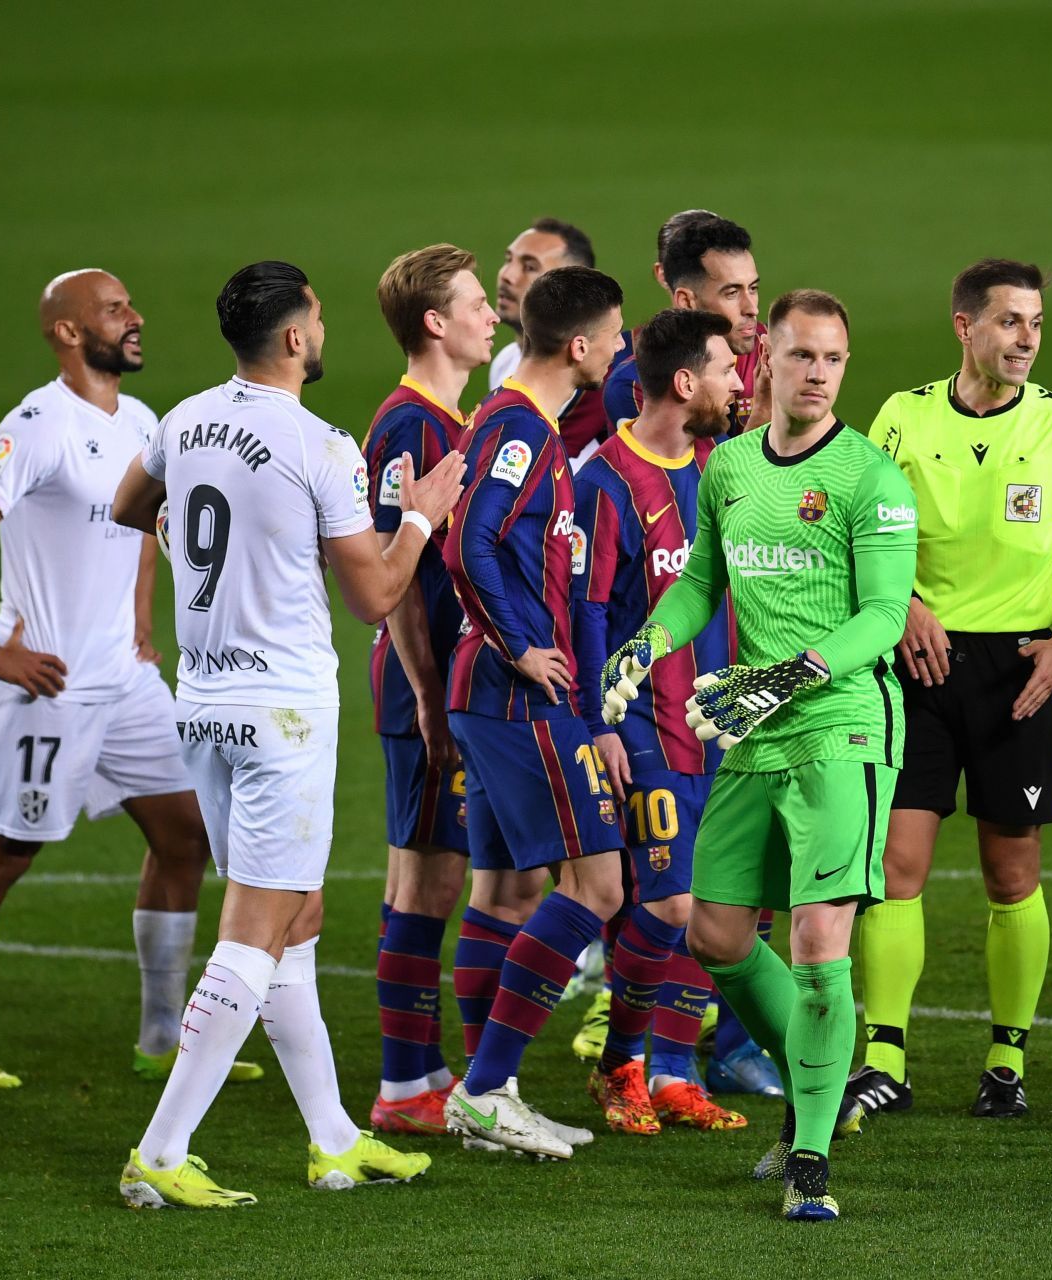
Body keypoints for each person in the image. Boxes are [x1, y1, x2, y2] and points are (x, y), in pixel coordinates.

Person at [111, 260, 464, 1207]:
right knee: (255, 933)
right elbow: (374, 596)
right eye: (317, 317)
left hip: (205, 705)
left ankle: (335, 1139)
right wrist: (421, 519)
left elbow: (125, 507)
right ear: (297, 338)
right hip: (285, 715)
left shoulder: (183, 421)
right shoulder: (321, 446)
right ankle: (161, 1150)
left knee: (295, 922)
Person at [601, 288, 917, 1220]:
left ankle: (809, 1154)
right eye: (801, 356)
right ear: (765, 361)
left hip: (843, 726)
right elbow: (703, 579)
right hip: (754, 728)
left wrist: (794, 674)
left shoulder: (869, 478)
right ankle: (825, 1080)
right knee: (718, 935)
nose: (817, 373)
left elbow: (887, 616)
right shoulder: (730, 466)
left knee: (822, 945)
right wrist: (651, 640)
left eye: (833, 359)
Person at [0, 269, 238, 1091]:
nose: (135, 319)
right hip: (49, 685)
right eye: (113, 310)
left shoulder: (138, 418)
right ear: (67, 333)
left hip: (126, 684)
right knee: (7, 851)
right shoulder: (39, 424)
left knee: (184, 836)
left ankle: (163, 1036)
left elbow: (138, 519)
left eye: (130, 304)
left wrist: (140, 620)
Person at [848, 259, 1052, 1121]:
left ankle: (1007, 1057)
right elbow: (865, 532)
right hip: (917, 663)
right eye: (1009, 321)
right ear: (965, 327)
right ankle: (884, 1056)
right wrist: (906, 604)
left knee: (1012, 869)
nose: (1026, 338)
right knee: (895, 865)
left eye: (1035, 321)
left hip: (1018, 671)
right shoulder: (903, 418)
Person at [440, 266, 631, 1161]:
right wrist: (519, 643)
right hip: (516, 695)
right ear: (582, 346)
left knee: (506, 892)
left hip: (494, 695)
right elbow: (467, 539)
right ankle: (482, 1091)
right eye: (617, 333)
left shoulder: (524, 423)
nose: (626, 347)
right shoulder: (517, 427)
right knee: (599, 888)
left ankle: (491, 1092)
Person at [571, 307, 747, 1134]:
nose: (738, 382)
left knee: (717, 909)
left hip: (725, 720)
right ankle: (621, 1065)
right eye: (725, 369)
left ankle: (675, 1074)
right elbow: (590, 610)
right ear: (685, 383)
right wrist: (600, 722)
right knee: (669, 904)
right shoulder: (606, 479)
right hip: (642, 722)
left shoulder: (725, 468)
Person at [362, 244, 498, 1133]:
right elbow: (394, 570)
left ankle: (421, 1072)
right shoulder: (411, 427)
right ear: (436, 323)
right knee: (426, 885)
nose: (494, 314)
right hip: (426, 687)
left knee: (427, 878)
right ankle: (406, 1088)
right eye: (477, 303)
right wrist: (424, 691)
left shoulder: (449, 417)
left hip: (441, 683)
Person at [603, 214, 769, 436]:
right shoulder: (637, 385)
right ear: (686, 301)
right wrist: (765, 415)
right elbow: (707, 469)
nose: (752, 308)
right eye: (731, 293)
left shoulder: (773, 348)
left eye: (753, 289)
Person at [484, 218, 614, 469]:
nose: (508, 275)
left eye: (529, 266)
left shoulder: (597, 374)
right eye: (508, 259)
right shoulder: (505, 361)